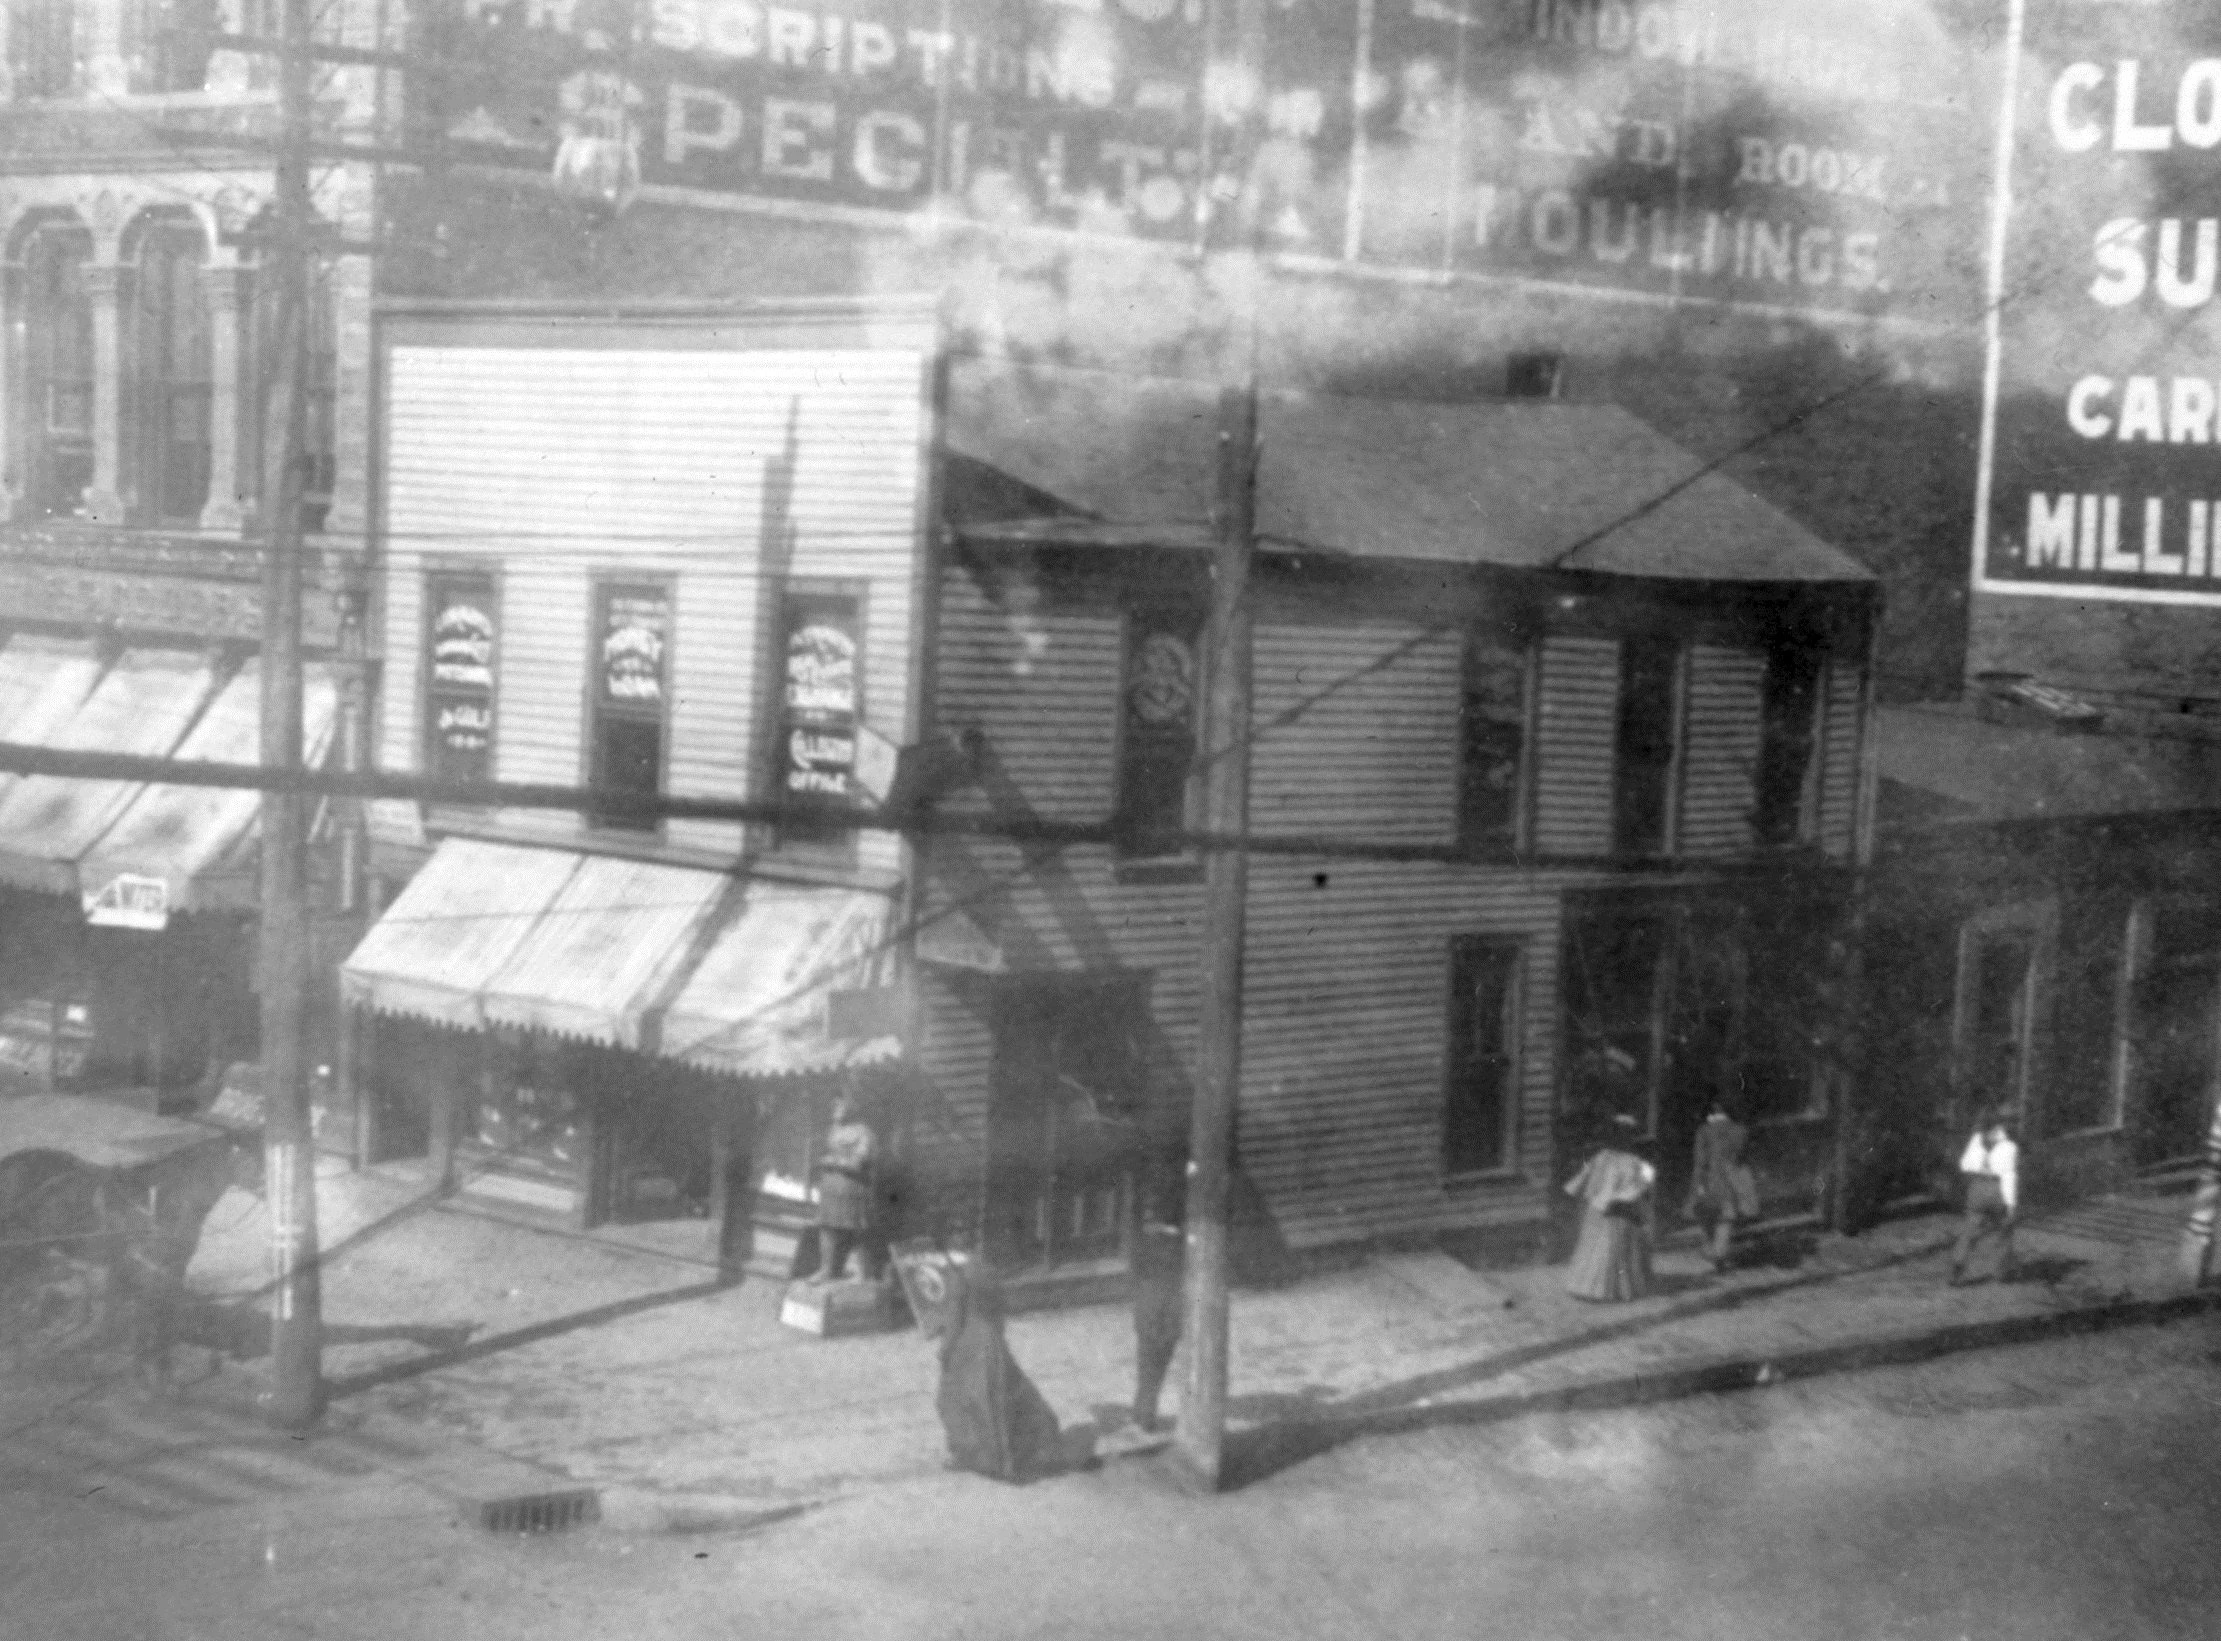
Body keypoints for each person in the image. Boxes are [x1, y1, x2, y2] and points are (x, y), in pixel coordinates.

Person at [1564, 1114, 1657, 1302]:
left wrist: (1621, 1199)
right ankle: (1592, 1287)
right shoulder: (1604, 1158)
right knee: (1602, 1247)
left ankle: (1613, 1289)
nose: (1624, 1141)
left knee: (1616, 1249)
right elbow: (1585, 1178)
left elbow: (1640, 1186)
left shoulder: (1634, 1163)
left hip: (1620, 1209)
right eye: (1620, 1136)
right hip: (1604, 1209)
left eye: (1627, 1137)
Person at [809, 1092, 876, 1284]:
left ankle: (864, 1272)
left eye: (840, 1105)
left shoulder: (864, 1133)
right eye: (834, 1105)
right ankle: (826, 1270)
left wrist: (833, 1161)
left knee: (856, 1229)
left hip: (851, 1189)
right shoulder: (834, 1130)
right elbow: (824, 1153)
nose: (835, 1109)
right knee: (826, 1227)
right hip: (830, 1188)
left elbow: (858, 1163)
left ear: (852, 1106)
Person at [1686, 1098, 1759, 1271]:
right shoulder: (1740, 1131)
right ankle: (1720, 1253)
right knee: (1726, 1218)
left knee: (1706, 1214)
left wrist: (1698, 1184)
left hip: (1709, 1179)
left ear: (1712, 1113)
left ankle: (1711, 1248)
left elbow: (1700, 1161)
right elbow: (1743, 1158)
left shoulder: (1703, 1131)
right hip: (1730, 1179)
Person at [1950, 1108, 2019, 1286]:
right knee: (2004, 1228)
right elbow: (2009, 1176)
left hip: (1977, 1187)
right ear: (2004, 1125)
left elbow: (1964, 1165)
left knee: (1969, 1230)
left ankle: (1957, 1268)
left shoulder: (1976, 1140)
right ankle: (2002, 1272)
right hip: (1997, 1188)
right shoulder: (2010, 1147)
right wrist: (2011, 1204)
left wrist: (1980, 1164)